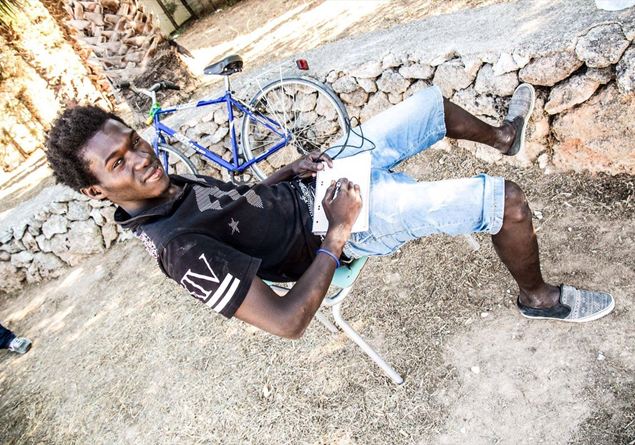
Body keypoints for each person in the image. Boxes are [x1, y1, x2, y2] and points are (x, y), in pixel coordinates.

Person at [44, 84, 614, 339]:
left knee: (427, 106)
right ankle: (539, 299)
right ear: (96, 191)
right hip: (335, 229)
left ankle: (504, 137)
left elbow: (236, 205)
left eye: (134, 142)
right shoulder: (179, 249)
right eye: (118, 163)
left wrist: (284, 173)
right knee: (507, 202)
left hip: (316, 189)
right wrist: (339, 229)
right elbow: (287, 322)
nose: (141, 159)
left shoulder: (161, 183)